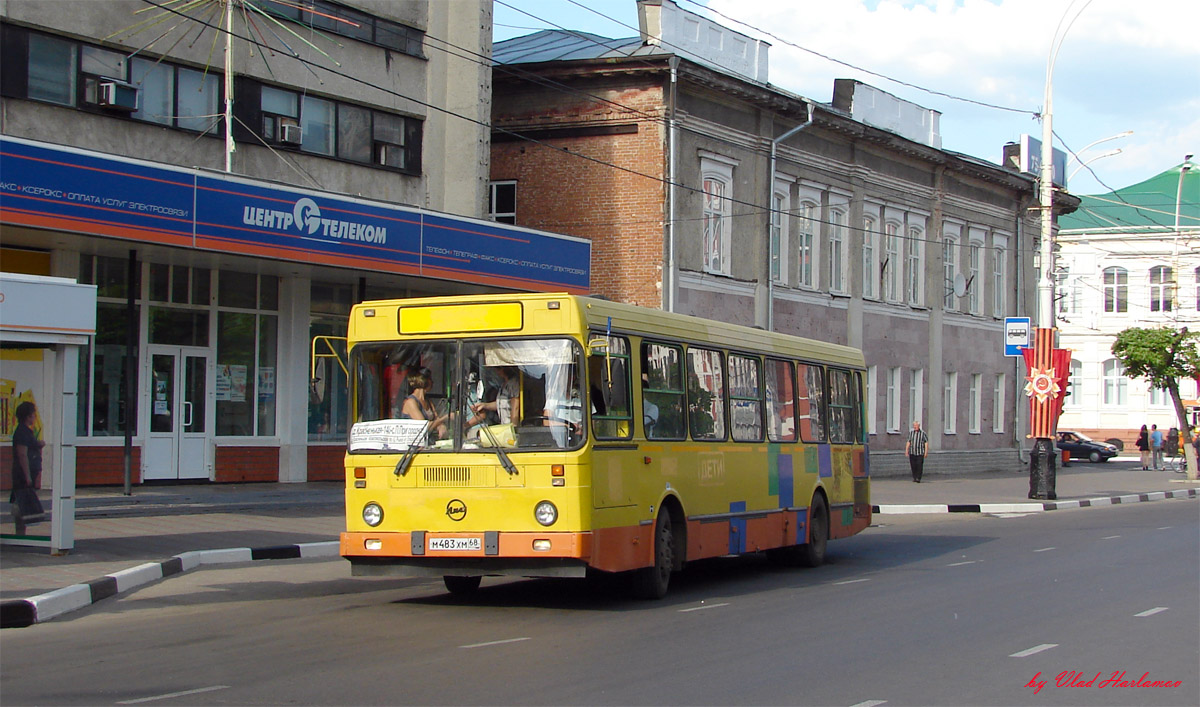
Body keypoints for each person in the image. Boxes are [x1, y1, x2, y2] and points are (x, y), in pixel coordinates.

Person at [10, 401, 45, 536]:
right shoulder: (22, 433)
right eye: (33, 415)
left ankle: (21, 534)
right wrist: (28, 476)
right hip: (22, 476)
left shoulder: (26, 432)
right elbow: (22, 454)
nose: (34, 418)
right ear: (28, 416)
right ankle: (20, 534)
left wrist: (38, 445)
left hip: (25, 474)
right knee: (22, 504)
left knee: (23, 505)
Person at [399, 368, 448, 439]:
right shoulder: (411, 402)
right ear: (424, 381)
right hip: (413, 444)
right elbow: (424, 426)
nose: (432, 382)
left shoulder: (428, 401)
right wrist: (445, 418)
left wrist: (441, 427)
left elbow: (436, 419)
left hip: (428, 442)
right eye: (430, 379)